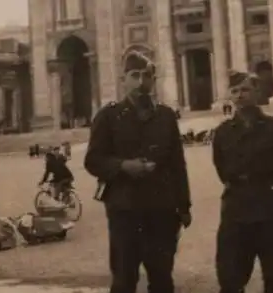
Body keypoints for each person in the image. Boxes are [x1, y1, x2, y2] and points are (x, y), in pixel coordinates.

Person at [84, 50, 192, 293]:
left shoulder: (165, 116)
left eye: (146, 76)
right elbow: (93, 160)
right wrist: (123, 166)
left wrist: (184, 207)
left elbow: (178, 164)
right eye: (134, 75)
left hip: (162, 210)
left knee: (162, 278)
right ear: (123, 79)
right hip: (125, 210)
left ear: (154, 80)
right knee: (124, 278)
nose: (141, 82)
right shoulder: (108, 116)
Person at [212, 70, 273, 293]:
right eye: (234, 91)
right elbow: (221, 168)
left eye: (245, 89)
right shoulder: (223, 132)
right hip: (236, 212)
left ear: (257, 92)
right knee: (230, 278)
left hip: (272, 212)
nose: (239, 95)